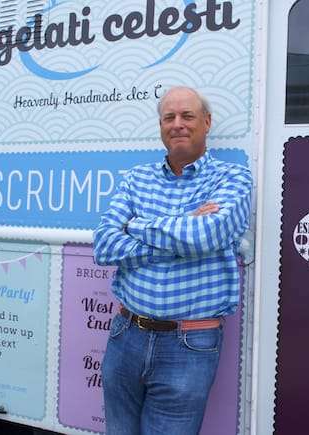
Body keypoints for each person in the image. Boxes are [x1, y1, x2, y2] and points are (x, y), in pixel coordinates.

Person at [93, 86, 252, 435]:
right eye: (169, 117)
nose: (178, 124)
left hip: (188, 344)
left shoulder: (232, 177)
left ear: (207, 122)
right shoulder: (136, 179)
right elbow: (104, 246)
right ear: (161, 125)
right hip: (125, 335)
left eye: (188, 116)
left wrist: (134, 226)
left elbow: (204, 236)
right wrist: (182, 223)